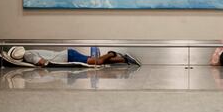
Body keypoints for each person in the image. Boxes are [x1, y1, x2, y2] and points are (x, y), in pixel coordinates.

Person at [8, 46, 141, 67]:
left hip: (69, 56)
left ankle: (111, 53)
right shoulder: (29, 52)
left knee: (97, 62)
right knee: (96, 61)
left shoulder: (28, 55)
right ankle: (124, 59)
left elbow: (43, 63)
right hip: (68, 54)